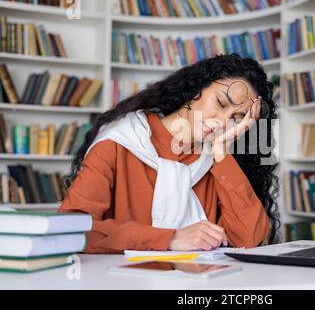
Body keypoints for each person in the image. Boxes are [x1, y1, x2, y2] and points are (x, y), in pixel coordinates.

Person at [59, 53, 279, 253]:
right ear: (197, 88)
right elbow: (71, 229)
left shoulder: (218, 161)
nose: (222, 122)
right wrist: (169, 239)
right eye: (221, 102)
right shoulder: (118, 142)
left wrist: (221, 152)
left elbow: (248, 239)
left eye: (237, 118)